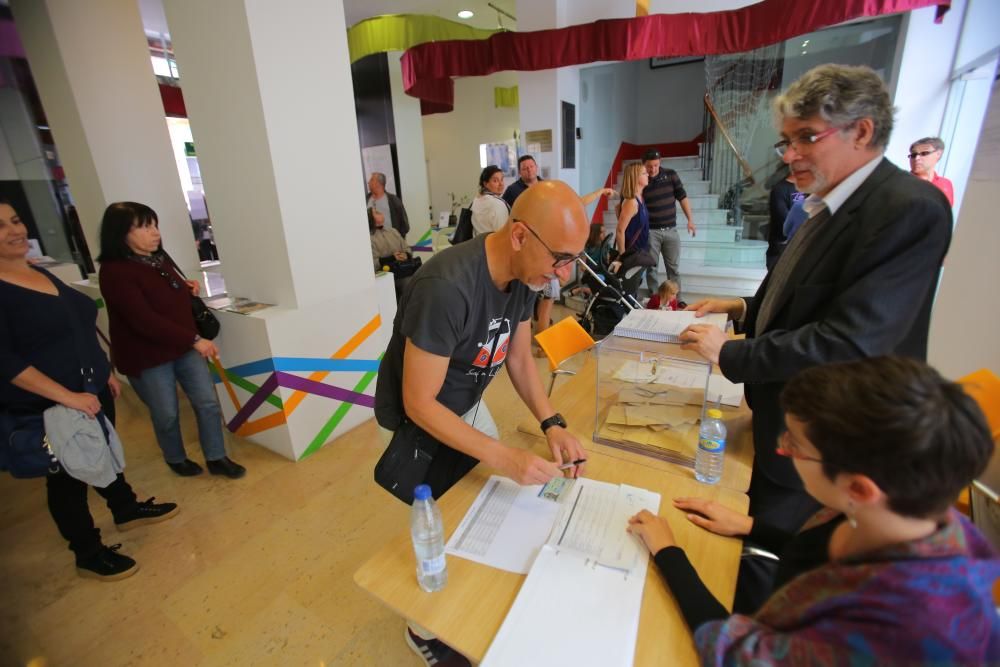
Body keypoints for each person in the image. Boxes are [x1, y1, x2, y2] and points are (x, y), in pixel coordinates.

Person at [678, 64, 953, 607]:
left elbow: (849, 340)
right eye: (787, 140)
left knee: (770, 565)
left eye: (807, 138)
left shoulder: (908, 209)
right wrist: (741, 306)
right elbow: (807, 299)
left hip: (829, 433)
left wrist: (732, 353)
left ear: (863, 132)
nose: (789, 154)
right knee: (756, 532)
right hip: (783, 422)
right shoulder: (830, 204)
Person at [627, 356, 1000, 665]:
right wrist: (752, 525)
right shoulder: (904, 512)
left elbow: (742, 655)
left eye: (796, 443)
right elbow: (818, 551)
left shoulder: (901, 626)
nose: (782, 450)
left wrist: (669, 554)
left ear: (858, 488)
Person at [374, 180, 590, 665]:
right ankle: (422, 628)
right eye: (559, 258)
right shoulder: (446, 288)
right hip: (420, 416)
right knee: (439, 522)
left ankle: (471, 598)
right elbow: (420, 404)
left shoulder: (523, 278)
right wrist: (501, 454)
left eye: (573, 258)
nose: (563, 274)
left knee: (486, 502)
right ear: (518, 236)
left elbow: (517, 357)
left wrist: (550, 422)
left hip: (464, 399)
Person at [0, 200, 179, 581]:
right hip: (53, 404)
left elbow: (76, 327)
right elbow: (7, 362)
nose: (14, 230)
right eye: (0, 227)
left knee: (105, 453)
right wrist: (68, 397)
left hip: (91, 389)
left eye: (15, 219)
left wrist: (102, 372)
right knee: (67, 480)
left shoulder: (38, 272)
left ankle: (125, 508)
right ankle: (88, 551)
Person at [97, 202, 246, 480]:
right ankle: (175, 457)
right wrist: (194, 339)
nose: (154, 233)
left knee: (207, 403)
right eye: (144, 226)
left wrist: (186, 287)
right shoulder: (115, 271)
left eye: (154, 225)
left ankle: (216, 456)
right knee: (166, 413)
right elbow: (142, 319)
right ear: (121, 233)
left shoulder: (157, 258)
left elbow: (165, 292)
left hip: (183, 346)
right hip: (149, 355)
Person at [641, 148, 696, 294]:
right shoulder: (642, 180)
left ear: (660, 163)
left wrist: (690, 220)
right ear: (643, 164)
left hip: (671, 230)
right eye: (649, 166)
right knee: (651, 267)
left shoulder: (671, 175)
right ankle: (654, 296)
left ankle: (676, 298)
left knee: (673, 269)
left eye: (656, 165)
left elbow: (682, 197)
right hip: (651, 231)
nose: (652, 169)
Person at [610, 163, 650, 272]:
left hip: (640, 252)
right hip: (632, 255)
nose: (648, 175)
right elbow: (620, 230)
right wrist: (623, 257)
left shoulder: (640, 198)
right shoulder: (632, 202)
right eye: (644, 173)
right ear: (635, 177)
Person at [765, 167, 802, 270]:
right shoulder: (780, 189)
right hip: (781, 252)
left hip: (801, 251)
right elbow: (785, 223)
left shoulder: (811, 190)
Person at [909, 136, 954, 205]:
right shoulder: (902, 181)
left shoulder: (945, 184)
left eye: (924, 153)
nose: (917, 158)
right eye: (913, 155)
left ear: (938, 154)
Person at [366, 172, 411, 239]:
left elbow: (405, 226)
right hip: (372, 245)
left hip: (391, 243)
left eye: (371, 180)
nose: (368, 182)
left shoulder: (393, 200)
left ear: (378, 183)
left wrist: (397, 240)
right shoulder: (365, 200)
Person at [470, 165, 510, 236]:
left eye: (502, 179)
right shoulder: (497, 203)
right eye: (495, 181)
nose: (501, 184)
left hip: (478, 244)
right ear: (485, 184)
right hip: (494, 245)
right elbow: (502, 233)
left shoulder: (476, 200)